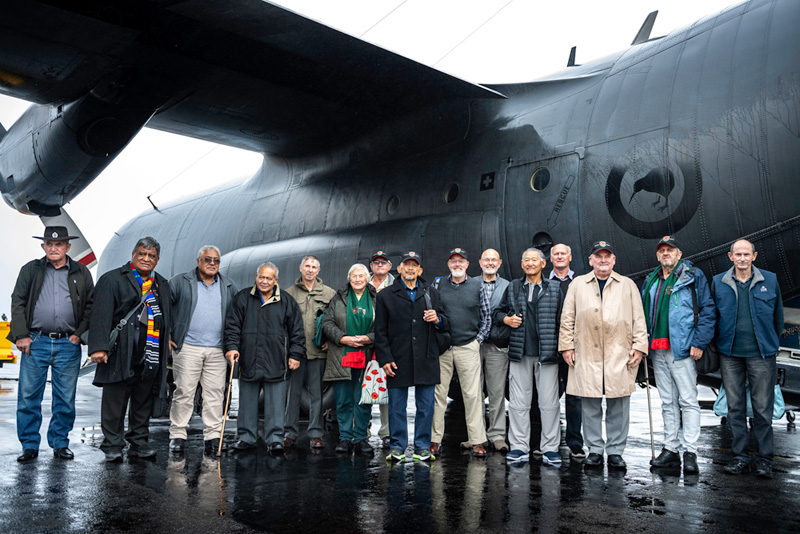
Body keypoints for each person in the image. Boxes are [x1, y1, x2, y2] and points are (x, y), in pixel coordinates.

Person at [559, 241, 648, 469]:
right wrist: (566, 346)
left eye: (607, 256)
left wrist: (639, 346)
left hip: (619, 353)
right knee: (590, 405)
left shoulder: (627, 285)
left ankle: (616, 452)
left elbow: (639, 318)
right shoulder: (578, 285)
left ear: (614, 260)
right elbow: (567, 317)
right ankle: (595, 450)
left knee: (619, 404)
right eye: (598, 257)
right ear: (591, 261)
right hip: (586, 352)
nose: (603, 260)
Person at [10, 226, 94, 463]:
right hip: (34, 342)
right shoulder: (31, 270)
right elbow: (18, 301)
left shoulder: (81, 271)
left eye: (59, 244)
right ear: (43, 246)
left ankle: (60, 443)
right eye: (49, 244)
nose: (53, 248)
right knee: (28, 397)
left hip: (68, 344)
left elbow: (90, 305)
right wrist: (21, 335)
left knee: (65, 398)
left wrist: (79, 334)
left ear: (68, 247)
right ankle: (29, 445)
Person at [89, 237, 172, 462]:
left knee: (143, 401)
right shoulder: (113, 279)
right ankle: (112, 444)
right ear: (133, 255)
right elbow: (100, 316)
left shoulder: (161, 284)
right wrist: (98, 347)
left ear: (157, 260)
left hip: (149, 353)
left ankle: (139, 442)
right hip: (119, 351)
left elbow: (166, 317)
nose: (146, 259)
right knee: (115, 401)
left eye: (151, 256)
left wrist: (168, 340)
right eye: (142, 254)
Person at [641, 236, 715, 474]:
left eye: (670, 250)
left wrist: (699, 341)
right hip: (658, 351)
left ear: (679, 254)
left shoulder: (693, 276)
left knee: (688, 401)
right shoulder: (651, 280)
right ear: (657, 256)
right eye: (662, 250)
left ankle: (690, 451)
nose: (666, 254)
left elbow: (707, 309)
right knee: (668, 402)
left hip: (682, 349)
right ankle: (670, 449)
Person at [713, 239, 784, 479]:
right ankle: (740, 457)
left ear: (754, 256)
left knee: (763, 409)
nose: (742, 258)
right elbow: (713, 317)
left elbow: (778, 318)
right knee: (735, 409)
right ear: (730, 256)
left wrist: (769, 345)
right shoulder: (718, 282)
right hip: (730, 354)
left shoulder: (770, 280)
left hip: (761, 354)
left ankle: (764, 460)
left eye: (746, 254)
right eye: (738, 254)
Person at [374, 251, 448, 462]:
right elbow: (380, 332)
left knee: (425, 407)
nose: (410, 268)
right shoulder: (385, 296)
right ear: (399, 269)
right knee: (397, 407)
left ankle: (422, 447)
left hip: (426, 358)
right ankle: (397, 447)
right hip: (398, 359)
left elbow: (446, 322)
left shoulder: (431, 293)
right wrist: (385, 359)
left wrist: (438, 319)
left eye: (414, 265)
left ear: (420, 270)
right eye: (406, 265)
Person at [224, 262, 305, 454]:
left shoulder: (287, 301)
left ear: (276, 280)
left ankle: (275, 439)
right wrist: (232, 348)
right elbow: (232, 326)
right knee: (247, 403)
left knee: (277, 404)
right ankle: (246, 438)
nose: (264, 281)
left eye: (269, 278)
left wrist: (295, 354)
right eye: (261, 277)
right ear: (256, 277)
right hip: (249, 359)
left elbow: (297, 331)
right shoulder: (243, 298)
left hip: (277, 360)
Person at [168, 245, 238, 455]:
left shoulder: (228, 285)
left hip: (217, 349)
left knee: (215, 394)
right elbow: (164, 308)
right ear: (198, 260)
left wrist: (232, 345)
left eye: (216, 260)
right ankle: (178, 435)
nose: (212, 264)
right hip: (188, 346)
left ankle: (213, 436)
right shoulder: (180, 282)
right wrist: (169, 335)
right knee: (184, 392)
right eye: (207, 259)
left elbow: (235, 317)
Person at [494, 248, 562, 466]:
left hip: (547, 354)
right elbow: (498, 313)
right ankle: (519, 446)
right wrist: (507, 320)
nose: (530, 264)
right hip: (520, 352)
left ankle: (550, 448)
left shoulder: (555, 288)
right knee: (518, 404)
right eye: (526, 260)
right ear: (522, 264)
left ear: (543, 264)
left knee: (549, 404)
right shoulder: (513, 286)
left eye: (535, 260)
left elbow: (563, 320)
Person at [430, 248, 490, 458]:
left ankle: (477, 441)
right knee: (439, 395)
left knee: (473, 395)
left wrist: (477, 341)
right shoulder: (438, 285)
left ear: (467, 264)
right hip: (444, 347)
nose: (457, 264)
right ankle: (434, 440)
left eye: (461, 261)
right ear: (448, 265)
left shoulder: (478, 285)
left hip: (467, 346)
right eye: (453, 261)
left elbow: (486, 316)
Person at [322, 263, 377, 454]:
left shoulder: (376, 298)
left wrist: (369, 338)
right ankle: (345, 438)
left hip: (366, 355)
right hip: (342, 354)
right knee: (344, 399)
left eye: (361, 276)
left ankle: (361, 438)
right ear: (349, 278)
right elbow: (327, 323)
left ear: (367, 278)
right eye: (354, 276)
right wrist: (342, 338)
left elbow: (384, 326)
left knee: (363, 400)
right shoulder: (338, 298)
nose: (357, 279)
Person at [283, 255, 336, 449]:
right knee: (293, 394)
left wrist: (331, 340)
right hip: (296, 354)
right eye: (307, 266)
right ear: (301, 268)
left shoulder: (329, 294)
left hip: (317, 353)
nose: (310, 270)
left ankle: (315, 433)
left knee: (316, 395)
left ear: (318, 270)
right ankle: (289, 432)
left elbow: (335, 320)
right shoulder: (289, 293)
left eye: (314, 267)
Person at [548, 243, 585, 459]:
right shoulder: (545, 283)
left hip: (574, 349)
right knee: (548, 397)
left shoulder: (579, 283)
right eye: (556, 254)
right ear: (551, 259)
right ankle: (548, 440)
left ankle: (574, 441)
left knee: (574, 398)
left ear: (570, 257)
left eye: (563, 254)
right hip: (551, 348)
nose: (560, 257)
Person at [478, 248, 510, 453]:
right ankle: (477, 436)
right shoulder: (471, 284)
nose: (490, 263)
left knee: (497, 392)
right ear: (480, 262)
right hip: (474, 344)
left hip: (497, 346)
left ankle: (497, 435)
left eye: (493, 260)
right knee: (474, 393)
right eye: (486, 260)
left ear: (499, 263)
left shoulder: (508, 286)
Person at [369, 251, 394, 448]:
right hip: (365, 342)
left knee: (386, 387)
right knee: (365, 386)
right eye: (376, 262)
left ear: (390, 265)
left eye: (383, 262)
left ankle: (386, 431)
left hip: (388, 342)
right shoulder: (361, 283)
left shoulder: (396, 286)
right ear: (371, 266)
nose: (379, 265)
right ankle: (362, 429)